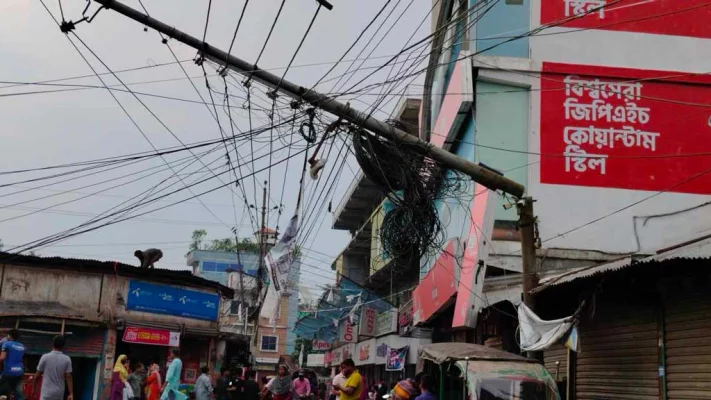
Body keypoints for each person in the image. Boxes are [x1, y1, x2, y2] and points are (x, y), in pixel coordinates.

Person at [33, 335, 73, 400]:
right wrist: (71, 393)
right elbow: (68, 376)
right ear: (63, 346)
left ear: (53, 343)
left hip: (46, 392)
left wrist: (33, 389)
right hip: (59, 393)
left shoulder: (45, 357)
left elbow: (37, 376)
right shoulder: (67, 359)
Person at [0, 329, 25, 400]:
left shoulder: (6, 344)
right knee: (18, 393)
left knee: (3, 393)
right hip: (19, 371)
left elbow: (2, 358)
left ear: (9, 335)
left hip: (9, 372)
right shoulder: (22, 346)